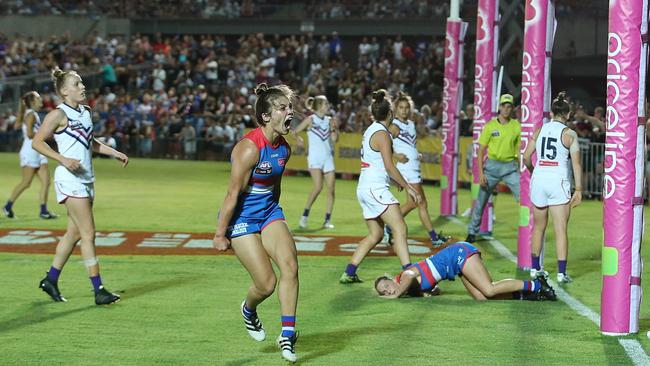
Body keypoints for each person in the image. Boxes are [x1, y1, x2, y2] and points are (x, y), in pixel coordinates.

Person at [212, 83, 299, 363]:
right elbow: (232, 193)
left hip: (269, 212)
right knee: (266, 284)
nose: (290, 112)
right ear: (265, 116)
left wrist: (276, 214)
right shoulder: (249, 148)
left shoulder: (284, 149)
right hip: (242, 217)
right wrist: (219, 234)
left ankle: (287, 334)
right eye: (283, 108)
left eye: (289, 107)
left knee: (290, 265)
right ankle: (249, 309)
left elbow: (275, 188)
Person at [32, 67, 128, 306]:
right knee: (88, 233)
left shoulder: (85, 112)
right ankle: (99, 289)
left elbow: (91, 143)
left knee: (74, 233)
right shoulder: (58, 114)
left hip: (86, 179)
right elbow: (37, 142)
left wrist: (114, 152)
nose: (82, 87)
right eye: (77, 84)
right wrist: (62, 159)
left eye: (82, 83)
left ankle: (50, 279)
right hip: (69, 179)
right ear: (64, 91)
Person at [339, 89, 421, 284]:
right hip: (375, 188)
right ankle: (409, 276)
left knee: (376, 234)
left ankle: (349, 272)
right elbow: (389, 165)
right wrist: (408, 186)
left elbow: (379, 163)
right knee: (399, 227)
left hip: (366, 187)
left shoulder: (372, 129)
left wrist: (395, 181)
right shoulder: (382, 134)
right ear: (390, 114)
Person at [523, 92, 583, 284]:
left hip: (540, 179)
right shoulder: (569, 134)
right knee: (560, 229)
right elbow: (576, 165)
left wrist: (534, 171)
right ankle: (561, 273)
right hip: (558, 181)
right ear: (567, 115)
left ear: (551, 113)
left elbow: (525, 157)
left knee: (538, 228)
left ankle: (534, 269)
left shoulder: (539, 130)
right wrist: (579, 189)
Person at [375, 242, 556, 301]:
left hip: (459, 254)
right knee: (482, 298)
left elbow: (409, 276)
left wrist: (395, 294)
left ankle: (537, 284)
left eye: (386, 286)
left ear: (392, 279)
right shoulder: (408, 288)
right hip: (457, 266)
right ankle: (525, 295)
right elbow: (431, 288)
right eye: (384, 291)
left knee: (489, 289)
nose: (388, 290)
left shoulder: (404, 276)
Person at [385, 91, 449, 247]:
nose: (404, 110)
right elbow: (383, 144)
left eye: (407, 107)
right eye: (401, 107)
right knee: (422, 203)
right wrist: (395, 155)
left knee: (412, 204)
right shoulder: (394, 125)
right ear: (395, 109)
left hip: (413, 166)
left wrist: (416, 154)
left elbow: (410, 145)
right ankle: (434, 238)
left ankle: (388, 226)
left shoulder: (411, 124)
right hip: (407, 169)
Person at [466, 94, 521, 243]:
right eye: (504, 106)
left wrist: (522, 168)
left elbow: (519, 148)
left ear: (512, 108)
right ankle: (472, 232)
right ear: (499, 107)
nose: (506, 109)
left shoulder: (516, 126)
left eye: (509, 106)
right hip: (492, 167)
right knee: (481, 202)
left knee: (523, 198)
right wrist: (480, 174)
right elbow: (480, 152)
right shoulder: (490, 125)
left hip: (510, 167)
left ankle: (527, 229)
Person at [3, 91, 57, 219]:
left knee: (46, 181)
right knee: (26, 182)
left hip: (38, 151)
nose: (41, 100)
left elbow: (20, 126)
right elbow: (29, 134)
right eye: (38, 98)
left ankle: (43, 211)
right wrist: (45, 135)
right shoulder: (31, 114)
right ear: (32, 102)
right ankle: (8, 206)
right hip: (30, 151)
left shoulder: (32, 114)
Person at [293, 95, 339, 229]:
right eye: (325, 104)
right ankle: (304, 217)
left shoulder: (329, 120)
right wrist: (299, 140)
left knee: (331, 189)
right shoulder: (310, 120)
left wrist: (334, 129)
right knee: (318, 187)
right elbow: (295, 132)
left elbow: (335, 140)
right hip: (315, 158)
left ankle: (327, 220)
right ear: (319, 106)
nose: (327, 106)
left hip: (328, 157)